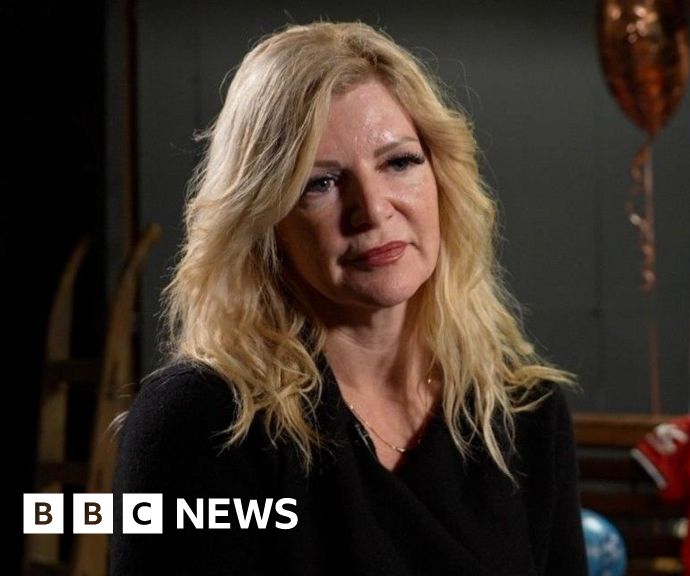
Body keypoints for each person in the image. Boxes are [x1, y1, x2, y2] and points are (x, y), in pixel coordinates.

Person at [111, 21, 587, 576]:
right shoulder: (202, 419)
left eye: (399, 162)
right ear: (265, 220)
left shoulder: (525, 413)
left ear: (442, 176)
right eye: (321, 183)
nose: (373, 210)